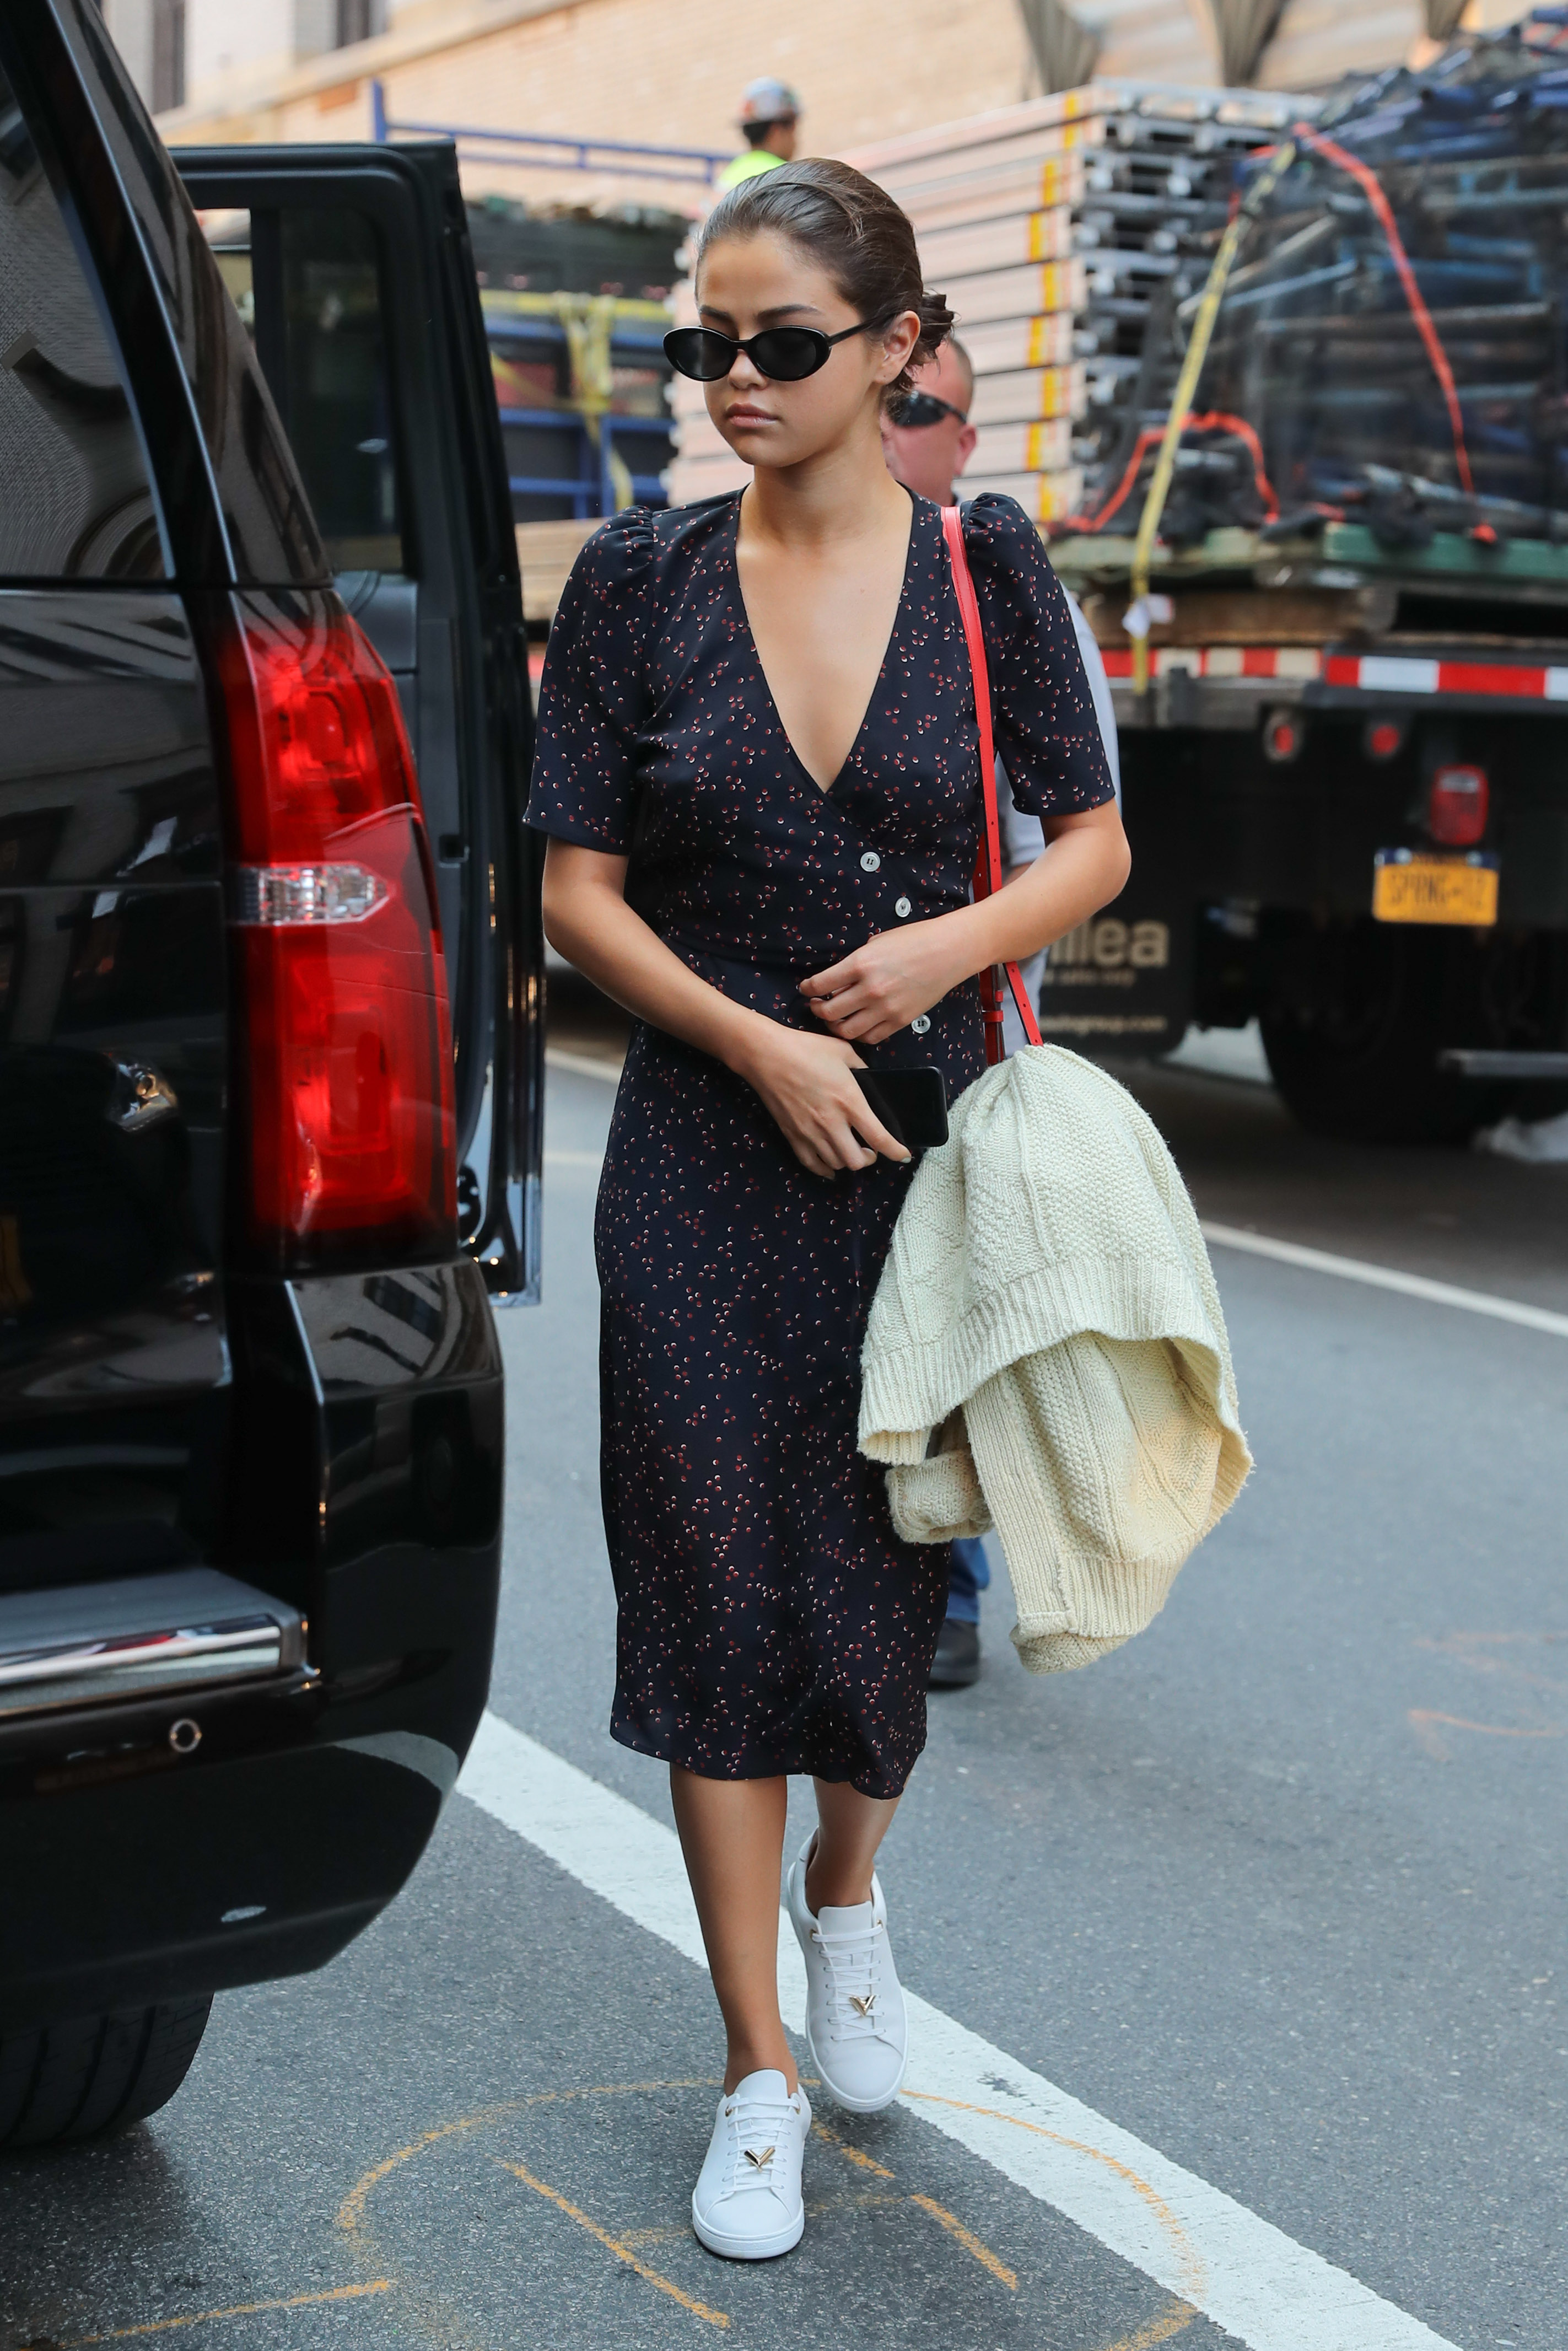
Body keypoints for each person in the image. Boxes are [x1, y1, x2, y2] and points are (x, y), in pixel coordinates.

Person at [529, 158, 1126, 2263]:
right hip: (703, 1152)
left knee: (880, 1579)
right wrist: (752, 1040)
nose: (737, 378)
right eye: (705, 343)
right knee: (710, 1581)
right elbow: (575, 889)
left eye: (781, 341)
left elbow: (1091, 845)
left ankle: (846, 1895)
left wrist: (948, 945)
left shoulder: (980, 564)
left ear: (896, 351)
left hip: (918, 1157)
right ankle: (755, 2067)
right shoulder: (640, 577)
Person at [882, 335, 1122, 1692]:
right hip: (789, 1036)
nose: (893, 423)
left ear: (963, 440)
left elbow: (1072, 850)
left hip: (961, 1022)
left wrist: (947, 960)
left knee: (950, 1303)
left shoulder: (1001, 591)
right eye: (886, 396)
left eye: (922, 407)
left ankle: (949, 1579)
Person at [716, 77, 802, 189]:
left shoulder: (730, 173)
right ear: (777, 131)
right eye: (793, 131)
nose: (795, 141)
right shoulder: (787, 178)